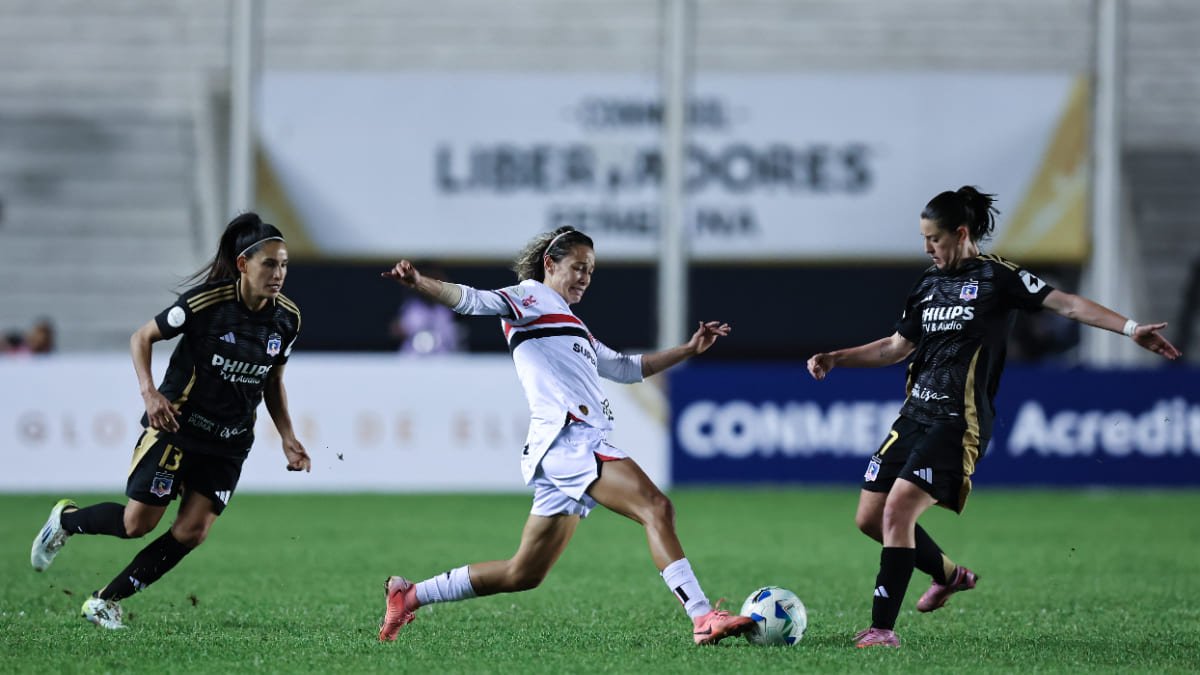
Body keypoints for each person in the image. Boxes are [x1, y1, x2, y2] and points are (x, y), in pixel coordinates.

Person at [806, 186, 1182, 649]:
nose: (927, 247)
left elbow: (1065, 302)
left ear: (961, 233)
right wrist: (836, 357)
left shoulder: (997, 278)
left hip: (957, 423)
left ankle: (882, 629)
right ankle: (949, 575)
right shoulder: (927, 283)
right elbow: (894, 347)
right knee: (870, 517)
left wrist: (1129, 328)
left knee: (899, 508)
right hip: (914, 415)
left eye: (934, 239)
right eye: (924, 238)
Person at [378, 226, 752, 645]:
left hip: (564, 447)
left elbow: (627, 368)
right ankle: (703, 618)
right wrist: (420, 283)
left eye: (590, 271)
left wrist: (686, 350)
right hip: (570, 439)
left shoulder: (571, 323)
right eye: (577, 267)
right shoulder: (528, 298)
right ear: (550, 264)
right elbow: (471, 300)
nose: (585, 278)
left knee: (523, 573)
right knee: (656, 507)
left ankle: (409, 595)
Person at [29, 212, 310, 629]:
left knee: (193, 531)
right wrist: (149, 391)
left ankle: (105, 601)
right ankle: (65, 521)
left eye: (284, 264)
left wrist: (288, 435)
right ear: (243, 264)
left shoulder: (288, 319)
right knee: (136, 524)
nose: (279, 273)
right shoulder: (206, 304)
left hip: (230, 441)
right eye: (270, 264)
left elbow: (273, 382)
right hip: (178, 429)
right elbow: (141, 337)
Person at [388, 262, 464, 355]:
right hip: (413, 355)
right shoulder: (412, 307)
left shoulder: (445, 309)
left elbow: (455, 333)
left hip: (440, 355)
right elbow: (396, 330)